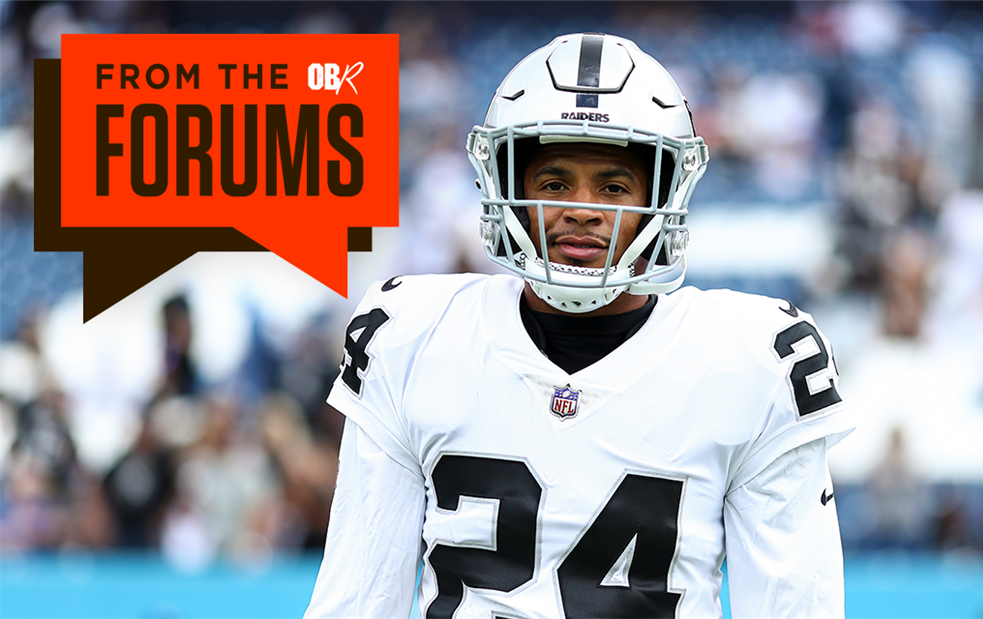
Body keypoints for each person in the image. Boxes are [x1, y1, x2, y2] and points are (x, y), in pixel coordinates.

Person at [305, 33, 854, 618]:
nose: (584, 208)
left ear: (662, 193)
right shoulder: (413, 334)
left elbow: (792, 607)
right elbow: (359, 598)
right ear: (509, 192)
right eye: (554, 182)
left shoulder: (754, 361)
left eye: (614, 186)